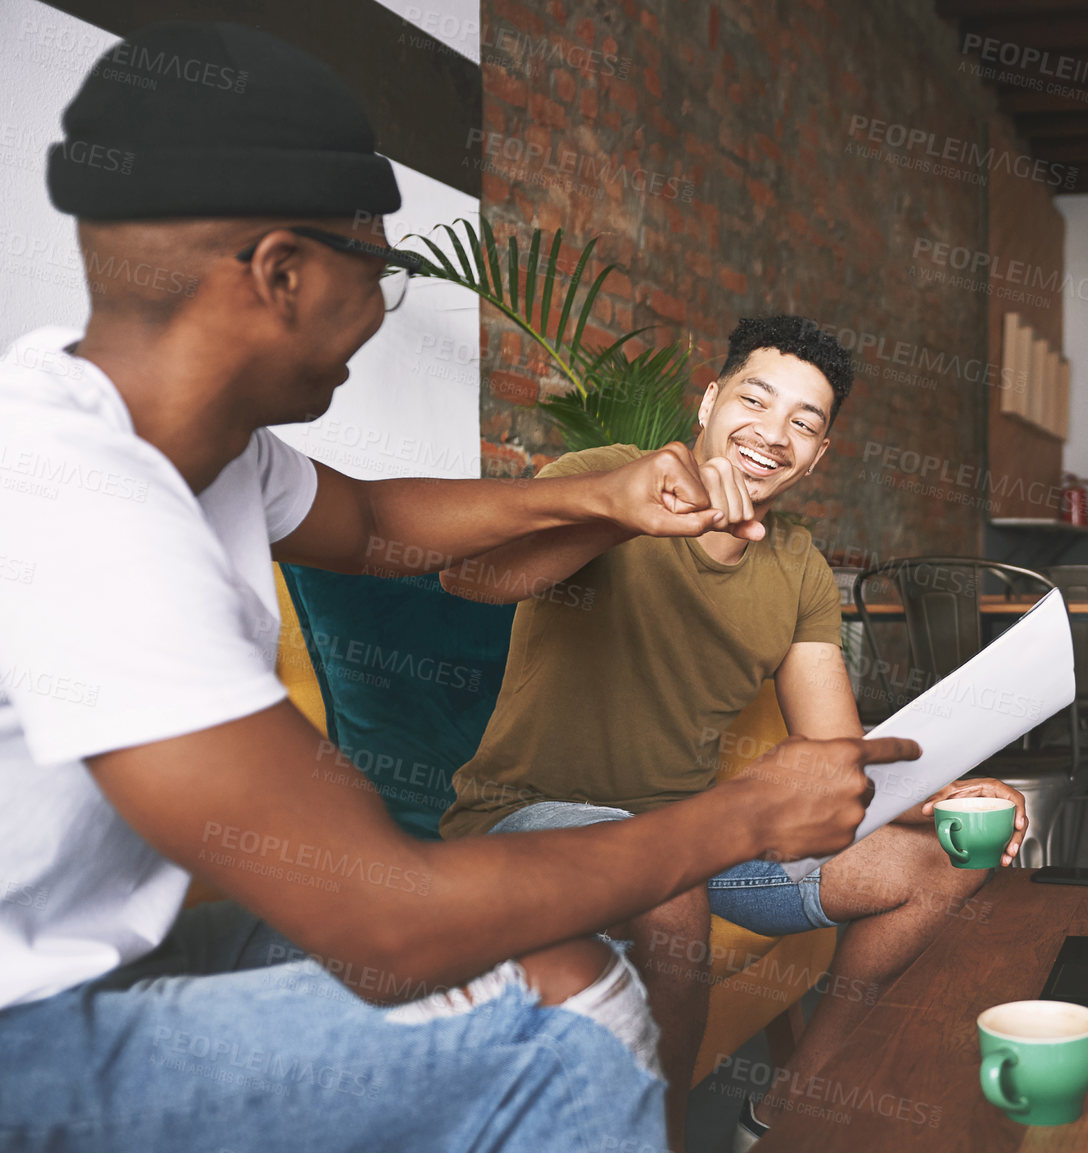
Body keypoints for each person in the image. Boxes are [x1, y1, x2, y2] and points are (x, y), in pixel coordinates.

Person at [0, 22, 910, 1153]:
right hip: (22, 1033)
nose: (384, 304)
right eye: (376, 265)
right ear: (283, 273)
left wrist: (605, 498)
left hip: (102, 963)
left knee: (551, 962)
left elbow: (378, 522)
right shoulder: (71, 503)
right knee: (568, 1008)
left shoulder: (207, 444)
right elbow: (391, 920)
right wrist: (739, 817)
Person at [439, 316, 1029, 1148]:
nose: (774, 432)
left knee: (947, 860)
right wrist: (624, 512)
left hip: (698, 836)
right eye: (757, 398)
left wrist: (954, 796)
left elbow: (836, 760)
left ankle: (788, 1112)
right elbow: (479, 578)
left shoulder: (798, 567)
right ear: (711, 400)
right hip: (528, 821)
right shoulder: (611, 478)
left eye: (805, 422)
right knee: (668, 884)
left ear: (818, 455)